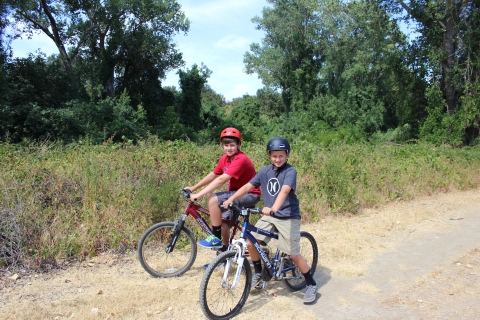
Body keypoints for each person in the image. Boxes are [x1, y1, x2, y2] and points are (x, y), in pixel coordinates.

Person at [222, 137, 317, 304]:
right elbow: (247, 187)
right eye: (274, 156)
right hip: (269, 216)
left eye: (281, 156)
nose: (277, 159)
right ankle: (258, 273)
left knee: (294, 255)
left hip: (288, 216)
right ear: (269, 156)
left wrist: (273, 208)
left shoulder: (290, 171)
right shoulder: (265, 171)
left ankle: (311, 283)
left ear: (287, 155)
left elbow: (285, 191)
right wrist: (232, 200)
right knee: (250, 242)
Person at [185, 127, 261, 251]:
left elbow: (221, 180)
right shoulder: (224, 159)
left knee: (213, 199)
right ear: (222, 145)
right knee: (223, 223)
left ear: (238, 145)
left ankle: (215, 238)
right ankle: (224, 254)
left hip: (250, 194)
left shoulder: (240, 159)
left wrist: (199, 194)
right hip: (235, 195)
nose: (229, 148)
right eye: (226, 145)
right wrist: (193, 187)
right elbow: (213, 175)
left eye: (232, 145)